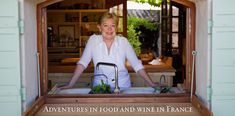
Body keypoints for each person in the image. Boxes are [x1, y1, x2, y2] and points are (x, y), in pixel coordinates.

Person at [59, 12, 158, 90]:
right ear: (99, 27)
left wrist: (151, 83)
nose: (109, 29)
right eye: (106, 25)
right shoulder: (93, 40)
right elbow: (82, 63)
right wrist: (70, 84)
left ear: (116, 27)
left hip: (122, 87)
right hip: (99, 88)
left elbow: (137, 65)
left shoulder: (123, 42)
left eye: (113, 25)